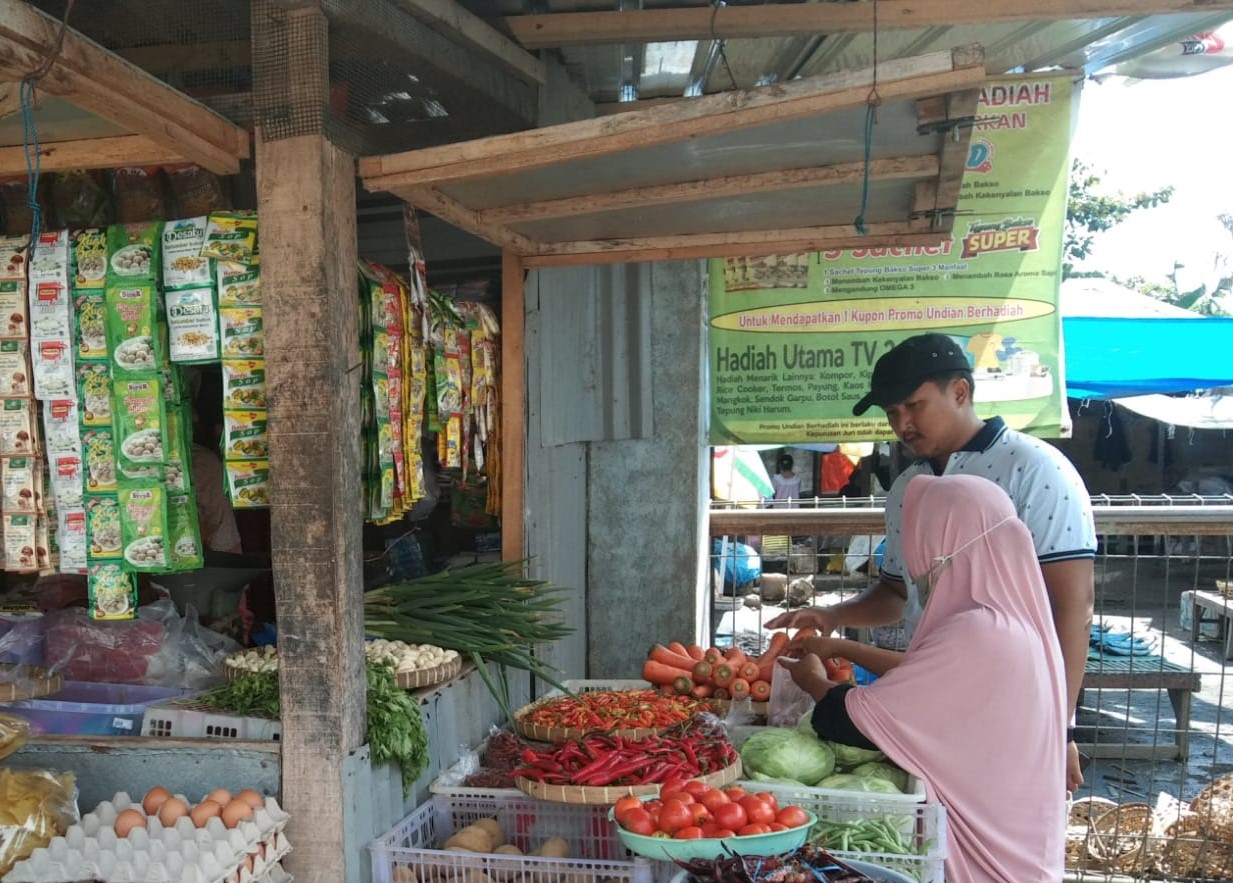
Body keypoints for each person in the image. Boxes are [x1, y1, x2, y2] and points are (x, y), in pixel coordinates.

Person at [766, 332, 1095, 792]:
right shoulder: (907, 486)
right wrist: (833, 616)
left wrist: (1062, 728)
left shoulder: (1036, 469)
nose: (902, 424)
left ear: (959, 392)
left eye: (913, 406)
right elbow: (899, 591)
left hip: (1016, 705)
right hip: (935, 697)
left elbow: (1073, 608)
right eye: (892, 413)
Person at [780, 474, 1067, 883]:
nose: (921, 570)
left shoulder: (980, 632)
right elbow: (931, 678)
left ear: (945, 546)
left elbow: (845, 722)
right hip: (1024, 853)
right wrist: (845, 649)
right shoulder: (1013, 618)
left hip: (989, 869)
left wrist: (812, 680)